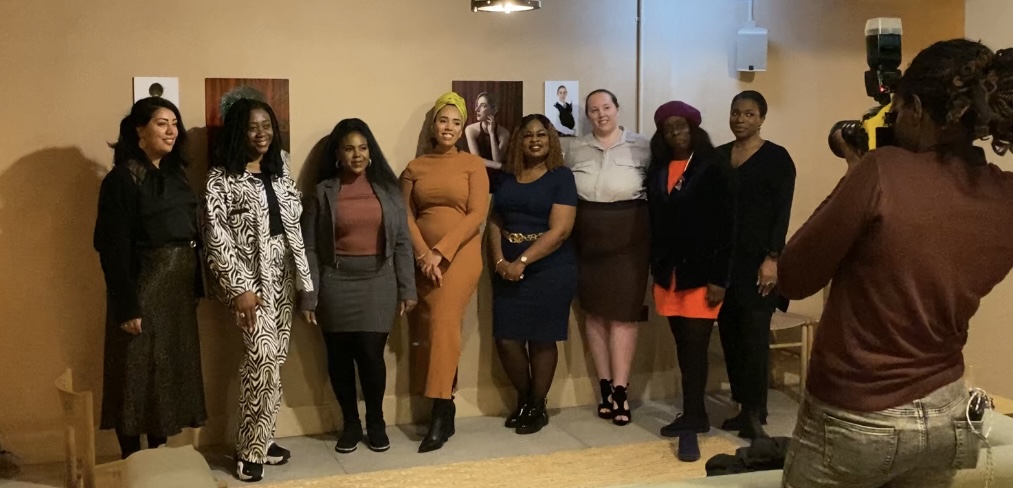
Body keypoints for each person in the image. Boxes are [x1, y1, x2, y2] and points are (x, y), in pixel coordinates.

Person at [779, 39, 1013, 487]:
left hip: (856, 415)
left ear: (918, 108)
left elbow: (795, 274)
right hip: (946, 407)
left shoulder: (882, 170)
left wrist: (856, 173)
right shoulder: (1005, 197)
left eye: (899, 109)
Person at [202, 98, 313, 482]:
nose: (261, 133)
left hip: (282, 280)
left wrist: (306, 284)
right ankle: (250, 450)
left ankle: (262, 438)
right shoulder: (222, 178)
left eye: (267, 125)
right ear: (239, 131)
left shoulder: (280, 171)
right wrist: (239, 289)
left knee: (272, 363)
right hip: (250, 285)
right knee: (262, 360)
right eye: (253, 126)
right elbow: (216, 238)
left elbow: (294, 227)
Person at [94, 97, 206, 460]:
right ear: (139, 130)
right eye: (162, 123)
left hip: (176, 293)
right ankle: (132, 463)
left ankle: (158, 461)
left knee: (166, 376)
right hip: (143, 289)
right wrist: (127, 305)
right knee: (134, 376)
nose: (172, 130)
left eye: (175, 123)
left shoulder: (174, 176)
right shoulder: (122, 179)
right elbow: (112, 248)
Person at [299, 118, 417, 454]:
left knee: (369, 354)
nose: (357, 154)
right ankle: (350, 423)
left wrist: (408, 288)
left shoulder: (389, 190)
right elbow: (308, 247)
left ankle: (376, 422)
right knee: (338, 358)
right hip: (335, 281)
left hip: (378, 280)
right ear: (337, 153)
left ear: (371, 151)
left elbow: (403, 243)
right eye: (349, 148)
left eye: (363, 148)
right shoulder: (323, 192)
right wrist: (309, 295)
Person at [401, 92, 490, 452]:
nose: (449, 127)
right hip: (422, 259)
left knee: (442, 323)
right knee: (434, 331)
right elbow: (403, 214)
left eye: (456, 121)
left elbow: (476, 214)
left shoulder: (473, 165)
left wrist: (440, 252)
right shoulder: (414, 167)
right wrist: (424, 254)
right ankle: (447, 404)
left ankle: (439, 412)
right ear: (434, 125)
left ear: (462, 126)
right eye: (443, 120)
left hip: (460, 257)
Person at [645, 101, 733, 460]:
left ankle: (696, 416)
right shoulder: (659, 168)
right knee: (683, 347)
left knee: (695, 349)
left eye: (681, 127)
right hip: (670, 276)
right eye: (668, 129)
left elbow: (728, 226)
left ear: (694, 128)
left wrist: (720, 278)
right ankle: (693, 411)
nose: (676, 133)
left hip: (702, 276)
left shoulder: (714, 167)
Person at [563, 88, 651, 426]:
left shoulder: (642, 146)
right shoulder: (574, 148)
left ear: (617, 108)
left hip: (630, 236)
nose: (601, 114)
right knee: (595, 314)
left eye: (606, 107)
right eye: (594, 110)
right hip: (587, 236)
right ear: (587, 115)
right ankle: (604, 388)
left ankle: (621, 390)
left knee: (624, 316)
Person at [487, 114, 578, 435]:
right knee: (507, 338)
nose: (535, 140)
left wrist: (522, 262)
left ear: (551, 139)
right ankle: (526, 400)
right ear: (518, 141)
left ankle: (537, 406)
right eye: (527, 135)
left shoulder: (561, 177)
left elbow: (561, 231)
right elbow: (495, 219)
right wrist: (500, 261)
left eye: (542, 134)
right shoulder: (505, 177)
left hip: (550, 268)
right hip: (507, 267)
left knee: (541, 339)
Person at [715, 90, 795, 440]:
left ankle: (755, 411)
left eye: (749, 114)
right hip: (724, 263)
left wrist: (773, 258)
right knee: (730, 333)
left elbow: (782, 211)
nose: (740, 119)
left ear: (762, 118)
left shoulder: (778, 159)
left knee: (753, 335)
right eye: (735, 112)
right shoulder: (718, 157)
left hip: (760, 262)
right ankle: (740, 405)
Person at [465, 91, 511, 169]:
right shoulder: (470, 130)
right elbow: (477, 160)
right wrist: (500, 166)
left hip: (498, 175)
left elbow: (497, 160)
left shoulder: (504, 133)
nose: (477, 110)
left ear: (494, 110)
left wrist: (492, 133)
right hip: (478, 172)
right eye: (477, 105)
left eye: (483, 106)